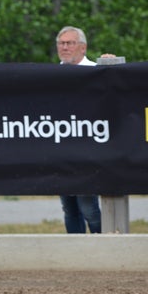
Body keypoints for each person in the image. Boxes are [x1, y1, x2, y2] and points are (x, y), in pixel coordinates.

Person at [55, 26, 101, 234]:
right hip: (62, 149)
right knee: (69, 207)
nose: (65, 47)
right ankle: (76, 250)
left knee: (88, 207)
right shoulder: (51, 75)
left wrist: (110, 62)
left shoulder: (96, 71)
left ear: (83, 47)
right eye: (61, 43)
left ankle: (103, 244)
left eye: (70, 43)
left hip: (88, 150)